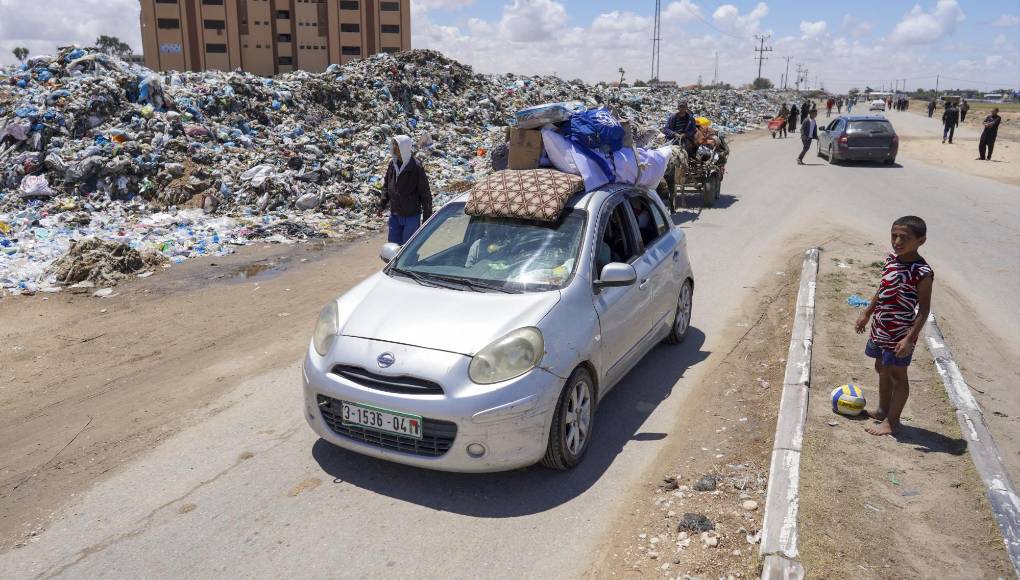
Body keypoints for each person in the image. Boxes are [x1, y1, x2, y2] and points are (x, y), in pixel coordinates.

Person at [855, 216, 933, 436]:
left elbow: (924, 309)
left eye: (904, 237)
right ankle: (882, 410)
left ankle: (893, 422)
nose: (897, 241)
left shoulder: (922, 272)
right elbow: (882, 289)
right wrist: (867, 313)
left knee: (898, 376)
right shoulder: (891, 260)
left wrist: (909, 339)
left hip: (900, 333)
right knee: (881, 367)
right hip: (880, 327)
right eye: (894, 236)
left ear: (921, 240)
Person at [379, 135, 432, 245]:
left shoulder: (415, 167)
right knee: (393, 246)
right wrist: (382, 204)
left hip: (411, 216)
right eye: (393, 144)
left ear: (404, 147)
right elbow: (387, 186)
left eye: (397, 145)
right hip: (395, 214)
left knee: (408, 247)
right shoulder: (392, 165)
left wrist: (427, 215)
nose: (394, 147)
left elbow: (425, 192)